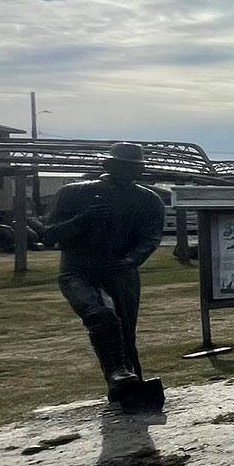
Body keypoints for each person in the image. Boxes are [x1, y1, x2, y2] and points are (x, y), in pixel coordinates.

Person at [41, 143, 166, 403]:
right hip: (79, 270)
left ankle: (129, 388)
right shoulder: (72, 193)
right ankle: (118, 374)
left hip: (121, 272)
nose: (127, 172)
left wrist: (130, 260)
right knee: (100, 315)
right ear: (106, 165)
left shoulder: (148, 200)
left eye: (133, 167)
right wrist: (83, 219)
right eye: (122, 165)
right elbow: (49, 233)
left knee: (126, 335)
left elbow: (150, 237)